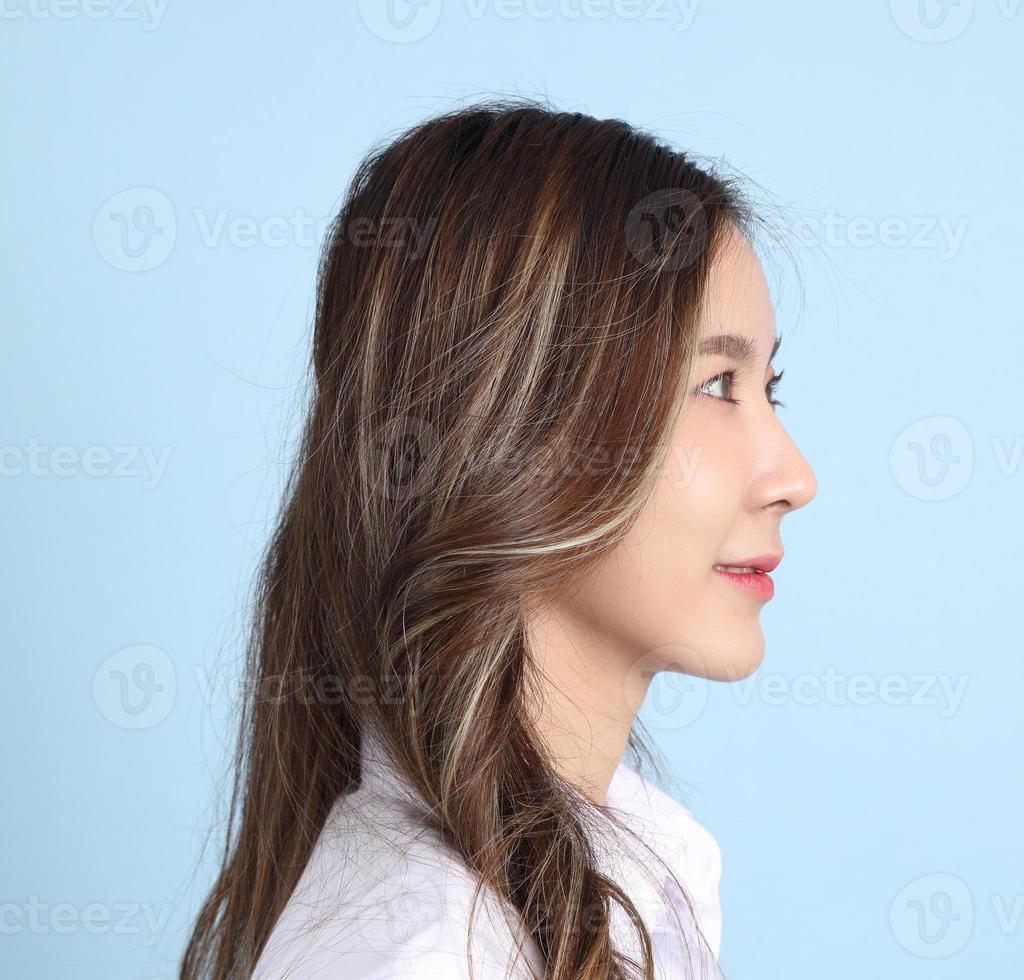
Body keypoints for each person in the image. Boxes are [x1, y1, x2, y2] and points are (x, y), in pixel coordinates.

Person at [180, 99, 818, 980]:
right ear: (509, 432)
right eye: (716, 384)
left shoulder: (648, 872)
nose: (793, 478)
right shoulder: (426, 953)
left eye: (768, 388)